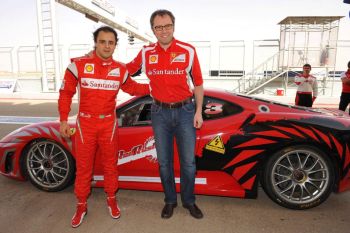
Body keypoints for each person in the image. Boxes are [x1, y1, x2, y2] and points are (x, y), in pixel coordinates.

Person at [58, 26, 149, 228]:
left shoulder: (120, 69)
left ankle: (111, 199)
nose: (107, 46)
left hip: (108, 123)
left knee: (110, 166)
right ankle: (81, 205)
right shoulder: (78, 65)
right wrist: (63, 119)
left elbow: (134, 88)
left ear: (115, 45)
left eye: (111, 42)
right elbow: (65, 94)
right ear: (95, 42)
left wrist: (157, 86)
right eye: (103, 41)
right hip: (85, 124)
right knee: (84, 169)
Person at [126, 9, 204, 219]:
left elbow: (198, 83)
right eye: (158, 27)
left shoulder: (188, 50)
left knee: (188, 162)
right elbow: (124, 72)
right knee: (163, 162)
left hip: (186, 112)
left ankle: (189, 201)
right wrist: (98, 59)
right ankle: (170, 200)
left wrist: (198, 111)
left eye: (167, 26)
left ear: (174, 26)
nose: (163, 31)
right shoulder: (145, 52)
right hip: (159, 112)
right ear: (152, 29)